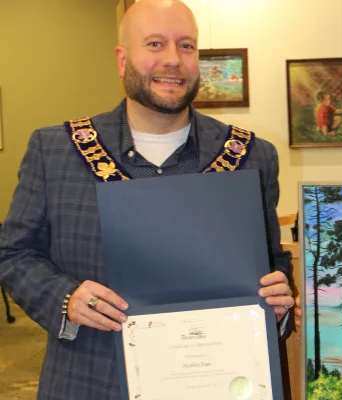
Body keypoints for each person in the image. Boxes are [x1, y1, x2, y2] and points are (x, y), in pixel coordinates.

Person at [0, 1, 297, 399]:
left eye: (186, 46)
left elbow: (271, 263)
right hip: (90, 381)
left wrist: (279, 300)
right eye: (155, 44)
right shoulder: (56, 150)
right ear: (123, 60)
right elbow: (13, 253)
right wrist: (65, 298)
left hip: (219, 383)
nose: (173, 60)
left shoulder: (251, 156)